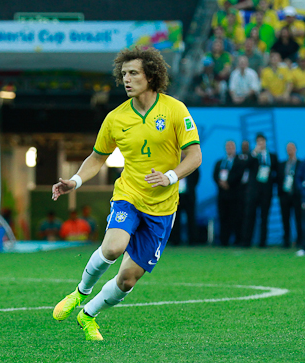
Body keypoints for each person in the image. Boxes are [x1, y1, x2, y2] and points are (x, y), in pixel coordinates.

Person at [51, 46, 201, 341]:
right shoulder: (115, 118)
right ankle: (80, 293)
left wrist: (170, 176)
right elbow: (97, 158)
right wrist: (75, 181)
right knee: (112, 248)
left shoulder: (175, 110)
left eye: (133, 73)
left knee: (128, 280)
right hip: (129, 195)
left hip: (162, 207)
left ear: (151, 75)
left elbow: (194, 156)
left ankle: (88, 315)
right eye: (124, 74)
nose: (127, 79)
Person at [241, 133, 278, 248]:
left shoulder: (272, 156)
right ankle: (247, 242)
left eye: (262, 141)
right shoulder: (252, 155)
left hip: (266, 191)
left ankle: (263, 242)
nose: (261, 143)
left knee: (264, 217)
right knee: (250, 216)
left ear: (266, 142)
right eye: (258, 142)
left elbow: (277, 173)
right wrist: (254, 153)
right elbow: (245, 166)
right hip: (253, 191)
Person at [213, 140, 245, 246]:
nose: (230, 148)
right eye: (228, 146)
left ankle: (238, 240)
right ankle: (224, 240)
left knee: (236, 218)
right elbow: (215, 175)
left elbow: (239, 175)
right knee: (223, 218)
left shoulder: (239, 161)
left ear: (235, 148)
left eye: (232, 146)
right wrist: (221, 183)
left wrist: (228, 183)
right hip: (222, 195)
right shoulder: (220, 162)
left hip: (235, 195)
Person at [278, 142, 302, 248]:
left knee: (299, 219)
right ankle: (286, 240)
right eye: (288, 148)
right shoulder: (282, 164)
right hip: (285, 196)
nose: (290, 150)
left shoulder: (301, 164)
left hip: (297, 196)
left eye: (292, 148)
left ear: (296, 149)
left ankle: (300, 240)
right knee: (285, 219)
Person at [172, 167, 200, 245]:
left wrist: (190, 188)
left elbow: (196, 178)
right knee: (175, 218)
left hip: (188, 196)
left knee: (191, 218)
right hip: (176, 195)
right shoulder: (174, 164)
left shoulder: (191, 163)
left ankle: (193, 240)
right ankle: (175, 240)